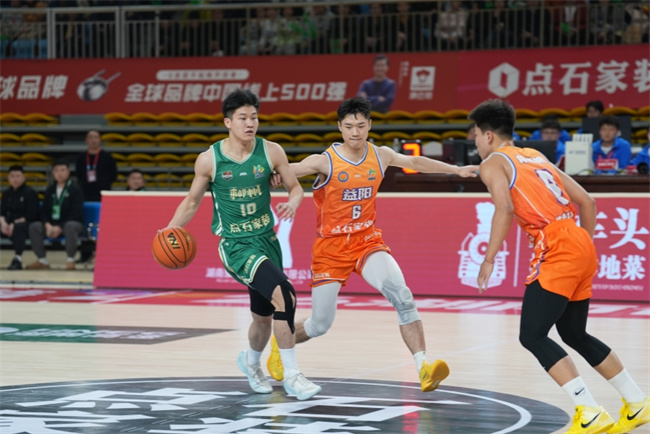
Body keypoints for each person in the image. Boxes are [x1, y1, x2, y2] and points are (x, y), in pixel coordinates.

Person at [266, 97, 479, 393]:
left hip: (367, 242)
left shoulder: (381, 155)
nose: (355, 132)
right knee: (319, 324)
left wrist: (456, 170)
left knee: (403, 297)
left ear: (369, 125)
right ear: (340, 127)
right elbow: (290, 171)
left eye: (360, 125)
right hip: (331, 249)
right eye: (349, 126)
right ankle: (281, 343)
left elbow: (415, 162)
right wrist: (267, 177)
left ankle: (423, 366)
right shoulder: (324, 161)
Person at [469, 98, 649, 434]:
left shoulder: (492, 162)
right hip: (579, 239)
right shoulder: (536, 156)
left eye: (476, 134)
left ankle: (590, 412)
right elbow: (588, 202)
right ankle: (637, 401)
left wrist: (489, 257)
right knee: (574, 333)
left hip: (556, 244)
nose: (475, 141)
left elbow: (505, 209)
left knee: (532, 334)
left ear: (488, 135)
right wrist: (580, 246)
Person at [165, 89, 321, 401]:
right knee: (286, 296)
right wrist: (169, 230)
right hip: (236, 245)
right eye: (242, 118)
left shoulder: (271, 151)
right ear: (228, 122)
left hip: (267, 241)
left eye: (254, 117)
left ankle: (250, 363)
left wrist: (293, 203)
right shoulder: (209, 159)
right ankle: (292, 375)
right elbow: (192, 201)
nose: (250, 123)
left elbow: (295, 188)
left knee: (263, 319)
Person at [27, 159, 84, 271]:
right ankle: (42, 260)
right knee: (34, 227)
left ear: (68, 172)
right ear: (53, 173)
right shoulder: (50, 190)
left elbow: (76, 213)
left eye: (63, 170)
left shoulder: (76, 189)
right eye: (56, 170)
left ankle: (70, 260)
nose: (60, 173)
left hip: (72, 224)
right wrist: (47, 225)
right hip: (52, 225)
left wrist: (60, 227)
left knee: (70, 226)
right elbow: (44, 211)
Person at [0, 165, 40, 270]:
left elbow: (32, 215)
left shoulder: (30, 193)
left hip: (26, 224)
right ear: (8, 178)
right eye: (12, 176)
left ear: (23, 177)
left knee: (19, 228)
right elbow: (2, 213)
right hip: (9, 224)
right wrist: (3, 223)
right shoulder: (6, 193)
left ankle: (17, 259)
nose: (15, 179)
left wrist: (14, 223)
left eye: (18, 176)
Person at [75, 130, 118, 202]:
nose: (93, 140)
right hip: (85, 194)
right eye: (91, 137)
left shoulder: (108, 157)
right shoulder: (81, 157)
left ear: (100, 140)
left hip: (103, 193)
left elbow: (113, 175)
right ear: (86, 140)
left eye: (96, 137)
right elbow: (78, 175)